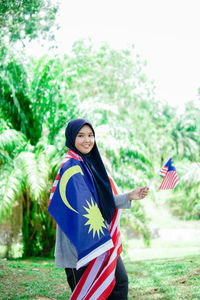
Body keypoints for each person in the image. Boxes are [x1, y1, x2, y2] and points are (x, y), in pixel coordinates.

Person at [48, 118, 149, 299]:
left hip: (99, 238)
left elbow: (101, 201)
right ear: (71, 138)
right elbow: (82, 207)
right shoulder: (70, 166)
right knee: (88, 293)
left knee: (119, 283)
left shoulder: (90, 164)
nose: (87, 140)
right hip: (78, 244)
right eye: (81, 136)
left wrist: (129, 196)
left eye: (90, 135)